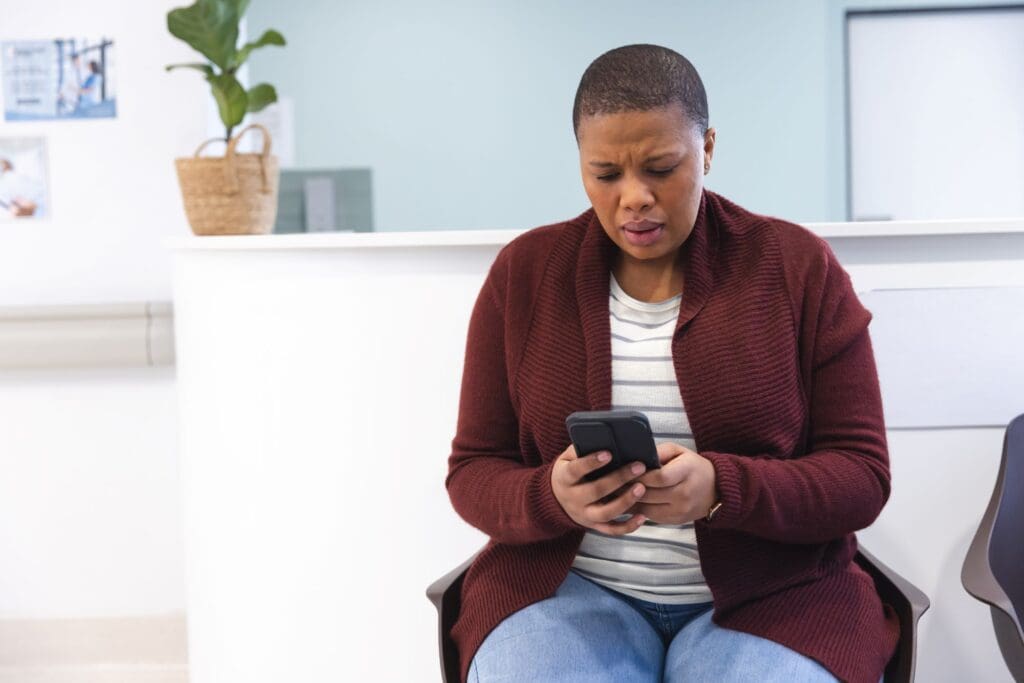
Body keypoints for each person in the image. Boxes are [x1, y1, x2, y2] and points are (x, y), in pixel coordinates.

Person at [445, 44, 898, 683]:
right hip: (566, 593)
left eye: (661, 167)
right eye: (605, 174)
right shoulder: (525, 274)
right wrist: (552, 496)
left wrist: (721, 489)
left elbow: (862, 476)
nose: (634, 197)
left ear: (707, 148)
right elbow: (473, 471)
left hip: (777, 596)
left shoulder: (796, 268)